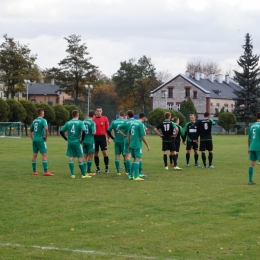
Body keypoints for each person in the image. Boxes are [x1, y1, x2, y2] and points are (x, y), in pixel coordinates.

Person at [60, 110, 91, 179]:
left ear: (72, 115)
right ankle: (83, 174)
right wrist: (82, 140)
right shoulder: (80, 122)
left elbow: (61, 131)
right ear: (78, 115)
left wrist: (66, 138)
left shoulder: (68, 123)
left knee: (71, 157)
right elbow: (84, 131)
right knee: (80, 157)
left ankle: (73, 174)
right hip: (77, 142)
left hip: (70, 142)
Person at [29, 108, 53, 176]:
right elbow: (46, 128)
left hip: (35, 140)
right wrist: (46, 136)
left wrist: (32, 138)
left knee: (34, 155)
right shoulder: (43, 120)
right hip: (41, 139)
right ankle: (46, 171)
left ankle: (34, 171)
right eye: (43, 112)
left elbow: (30, 131)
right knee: (44, 154)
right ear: (42, 113)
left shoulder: (34, 121)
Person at [128, 112, 150, 181]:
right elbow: (142, 136)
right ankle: (136, 176)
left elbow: (128, 134)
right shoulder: (140, 124)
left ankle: (130, 175)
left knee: (134, 159)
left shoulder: (132, 123)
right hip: (137, 144)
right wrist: (147, 145)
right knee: (138, 159)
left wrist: (129, 143)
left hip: (132, 144)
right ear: (143, 117)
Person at [106, 111, 126, 176]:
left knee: (117, 156)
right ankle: (127, 171)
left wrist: (113, 138)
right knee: (125, 156)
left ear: (119, 115)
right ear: (124, 116)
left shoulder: (114, 122)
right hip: (124, 140)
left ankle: (118, 172)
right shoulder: (125, 122)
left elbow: (108, 131)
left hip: (116, 140)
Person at [93, 106, 111, 174]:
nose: (99, 112)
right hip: (95, 137)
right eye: (98, 111)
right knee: (96, 153)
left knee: (105, 152)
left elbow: (107, 129)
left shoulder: (105, 118)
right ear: (95, 111)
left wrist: (108, 138)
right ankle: (97, 168)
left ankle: (106, 168)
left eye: (100, 111)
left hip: (102, 137)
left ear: (102, 111)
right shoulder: (93, 119)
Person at [247, 112, 260, 184]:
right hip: (259, 147)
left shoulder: (252, 126)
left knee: (252, 163)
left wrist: (249, 148)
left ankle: (250, 180)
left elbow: (249, 138)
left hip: (252, 147)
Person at [82, 110, 96, 176]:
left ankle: (84, 171)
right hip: (90, 141)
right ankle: (89, 171)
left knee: (85, 156)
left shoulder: (83, 121)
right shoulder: (92, 123)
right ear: (93, 116)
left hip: (84, 141)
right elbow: (93, 132)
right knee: (90, 156)